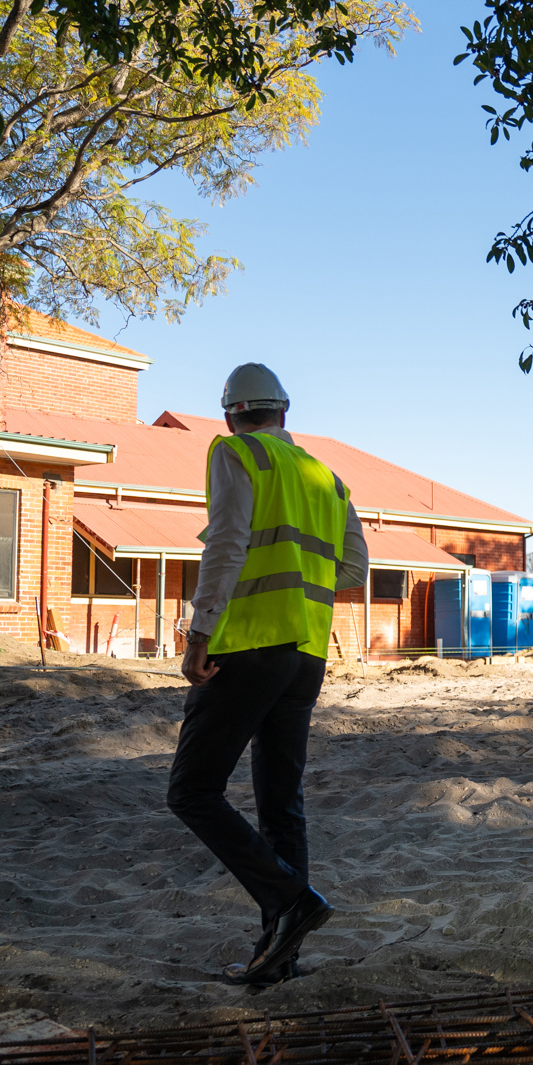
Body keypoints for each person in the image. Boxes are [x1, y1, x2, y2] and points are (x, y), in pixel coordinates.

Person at [167, 363, 369, 986]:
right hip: (304, 654)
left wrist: (201, 632)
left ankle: (292, 902)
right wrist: (298, 589)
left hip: (249, 647)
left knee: (192, 791)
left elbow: (226, 544)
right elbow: (355, 570)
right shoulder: (325, 478)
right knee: (283, 804)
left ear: (231, 413)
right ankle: (283, 957)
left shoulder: (235, 454)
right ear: (285, 413)